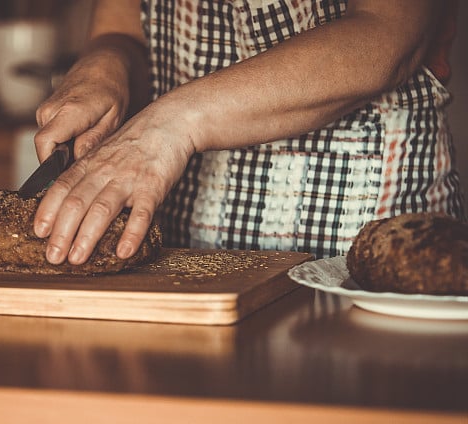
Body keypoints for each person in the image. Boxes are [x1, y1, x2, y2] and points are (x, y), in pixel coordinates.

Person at [31, 0, 464, 266]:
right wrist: (105, 61)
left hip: (363, 232)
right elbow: (122, 26)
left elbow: (388, 35)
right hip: (179, 240)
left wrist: (172, 124)